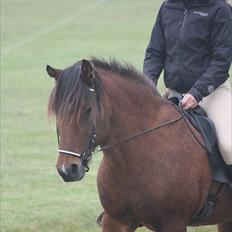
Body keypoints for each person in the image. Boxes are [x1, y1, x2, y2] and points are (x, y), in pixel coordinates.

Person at [143, 0, 232, 178]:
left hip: (212, 93)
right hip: (173, 93)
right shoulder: (167, 7)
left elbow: (221, 61)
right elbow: (155, 52)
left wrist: (196, 92)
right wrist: (148, 85)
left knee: (229, 146)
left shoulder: (220, 9)